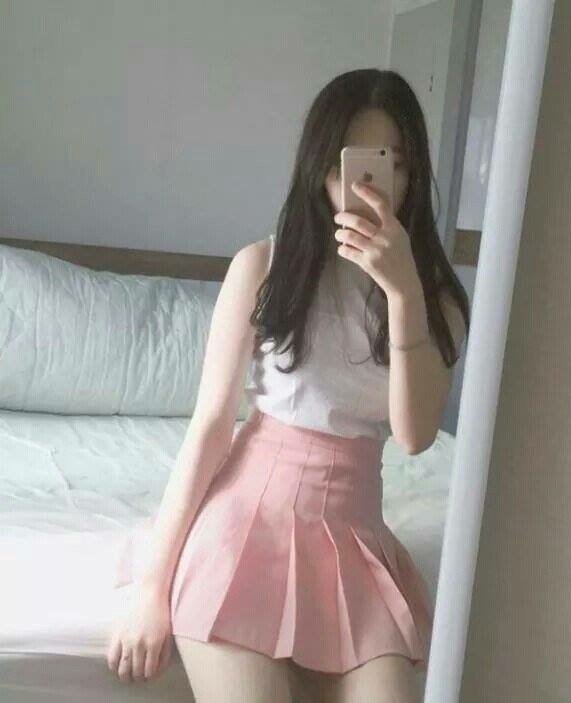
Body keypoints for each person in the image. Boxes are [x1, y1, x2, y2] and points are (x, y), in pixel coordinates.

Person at [106, 68, 469, 703]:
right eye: (352, 162)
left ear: (413, 175)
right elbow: (211, 426)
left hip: (354, 537)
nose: (371, 184)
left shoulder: (434, 300)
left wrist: (404, 293)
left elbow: (414, 436)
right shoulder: (263, 267)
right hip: (246, 526)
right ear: (320, 169)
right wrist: (151, 588)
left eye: (393, 163)